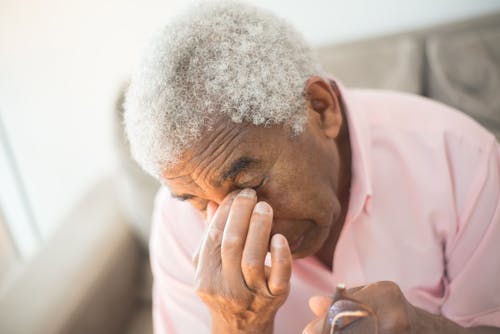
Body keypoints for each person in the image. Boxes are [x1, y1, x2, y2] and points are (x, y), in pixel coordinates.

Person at [124, 2, 500, 333]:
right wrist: (239, 326)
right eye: (196, 200)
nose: (237, 232)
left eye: (250, 184)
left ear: (321, 108)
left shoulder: (462, 160)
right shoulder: (178, 222)